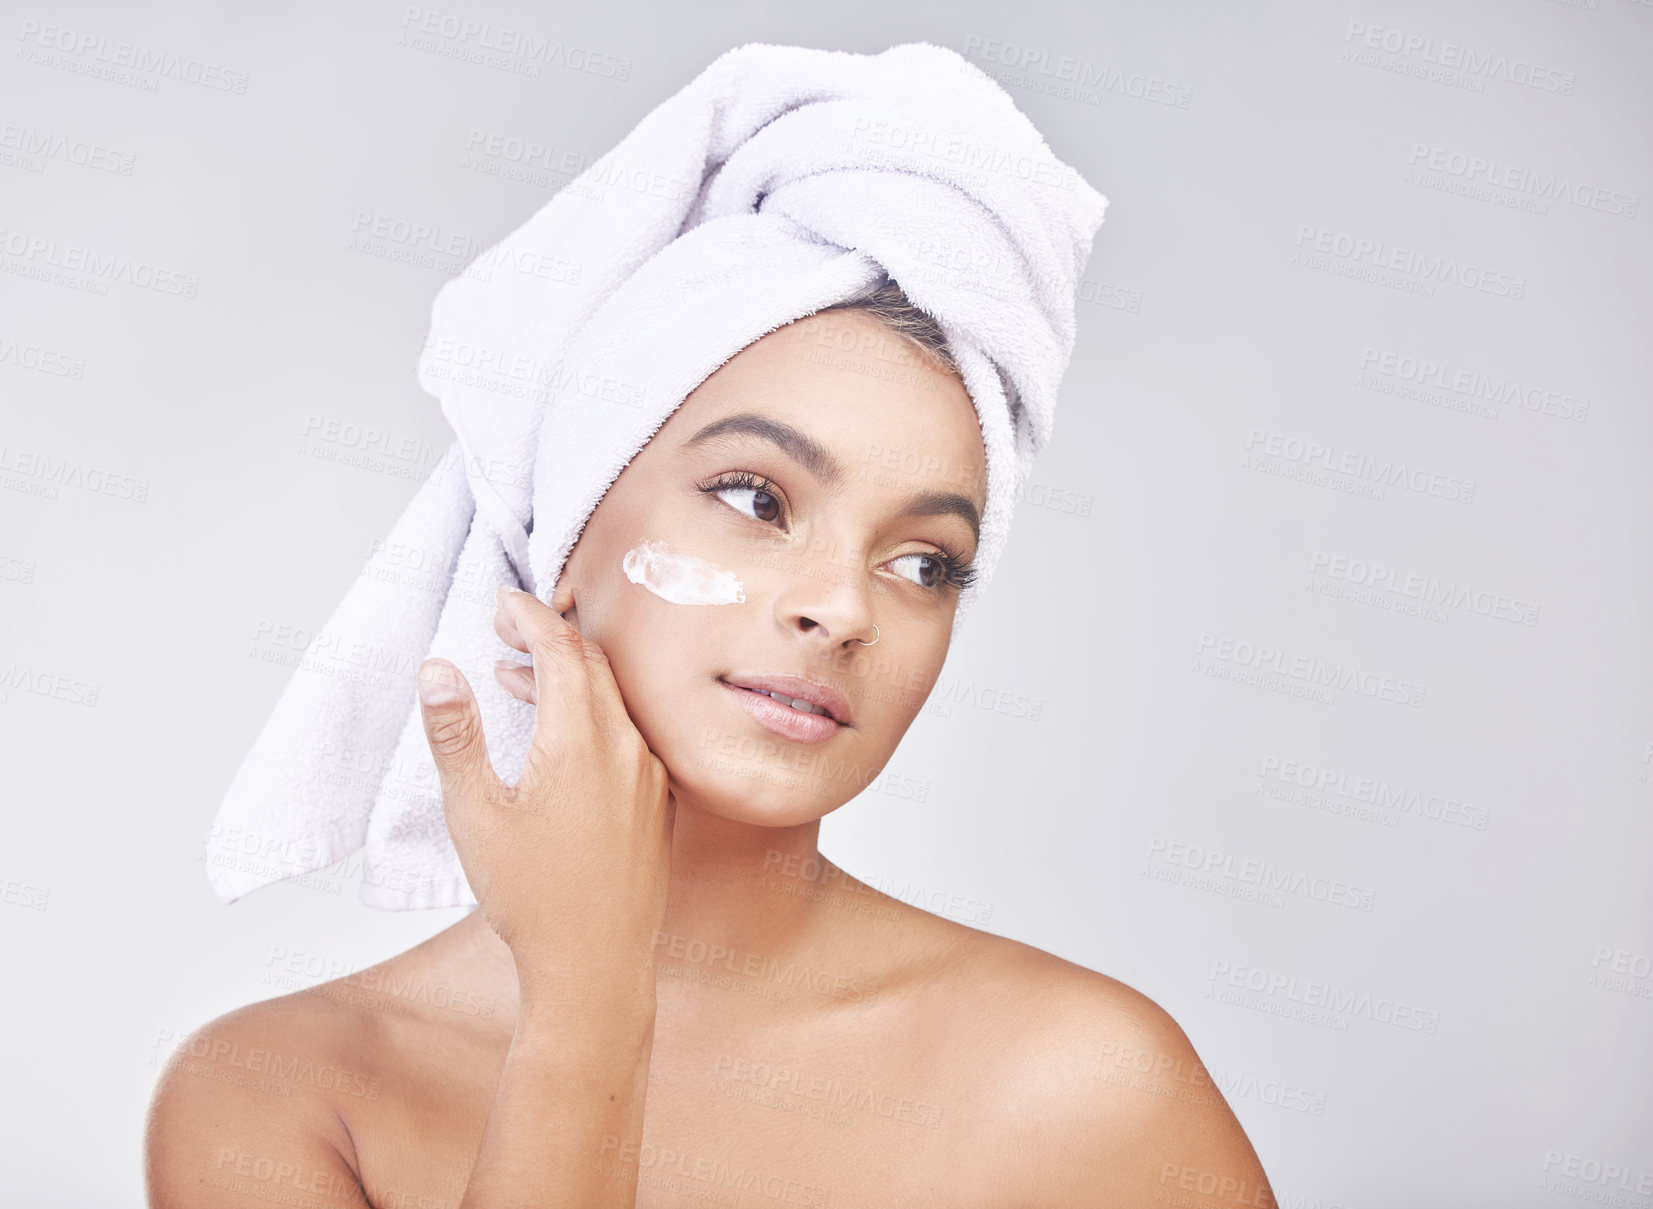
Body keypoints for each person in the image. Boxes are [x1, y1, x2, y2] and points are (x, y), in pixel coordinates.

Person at [145, 283, 1274, 1207]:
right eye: (756, 498)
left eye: (925, 561)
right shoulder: (283, 1097)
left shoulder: (1083, 1084)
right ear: (568, 531)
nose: (844, 608)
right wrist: (587, 1002)